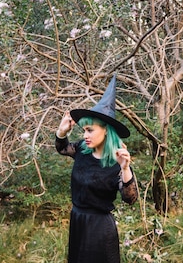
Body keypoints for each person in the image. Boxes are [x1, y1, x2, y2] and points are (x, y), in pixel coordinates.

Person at [55, 75, 139, 263]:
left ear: (106, 130)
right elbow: (62, 148)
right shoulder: (82, 151)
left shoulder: (116, 162)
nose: (85, 135)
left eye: (90, 130)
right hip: (78, 222)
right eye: (84, 130)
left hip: (100, 230)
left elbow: (130, 198)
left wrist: (125, 169)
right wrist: (61, 131)